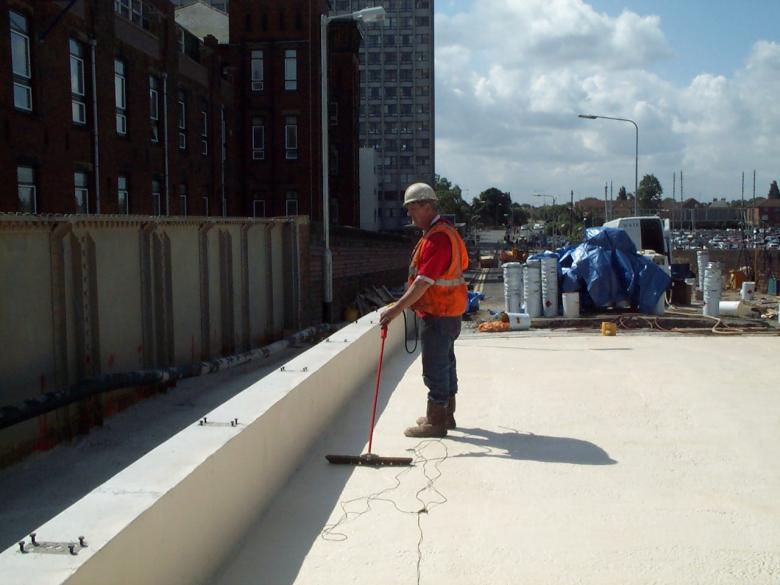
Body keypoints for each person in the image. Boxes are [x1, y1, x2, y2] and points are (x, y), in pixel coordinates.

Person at [379, 183, 469, 438]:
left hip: (438, 312)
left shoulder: (438, 238)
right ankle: (446, 415)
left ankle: (436, 422)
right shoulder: (443, 233)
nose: (410, 214)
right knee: (446, 364)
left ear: (428, 206)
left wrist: (396, 309)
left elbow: (423, 282)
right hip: (447, 310)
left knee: (435, 366)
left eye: (412, 208)